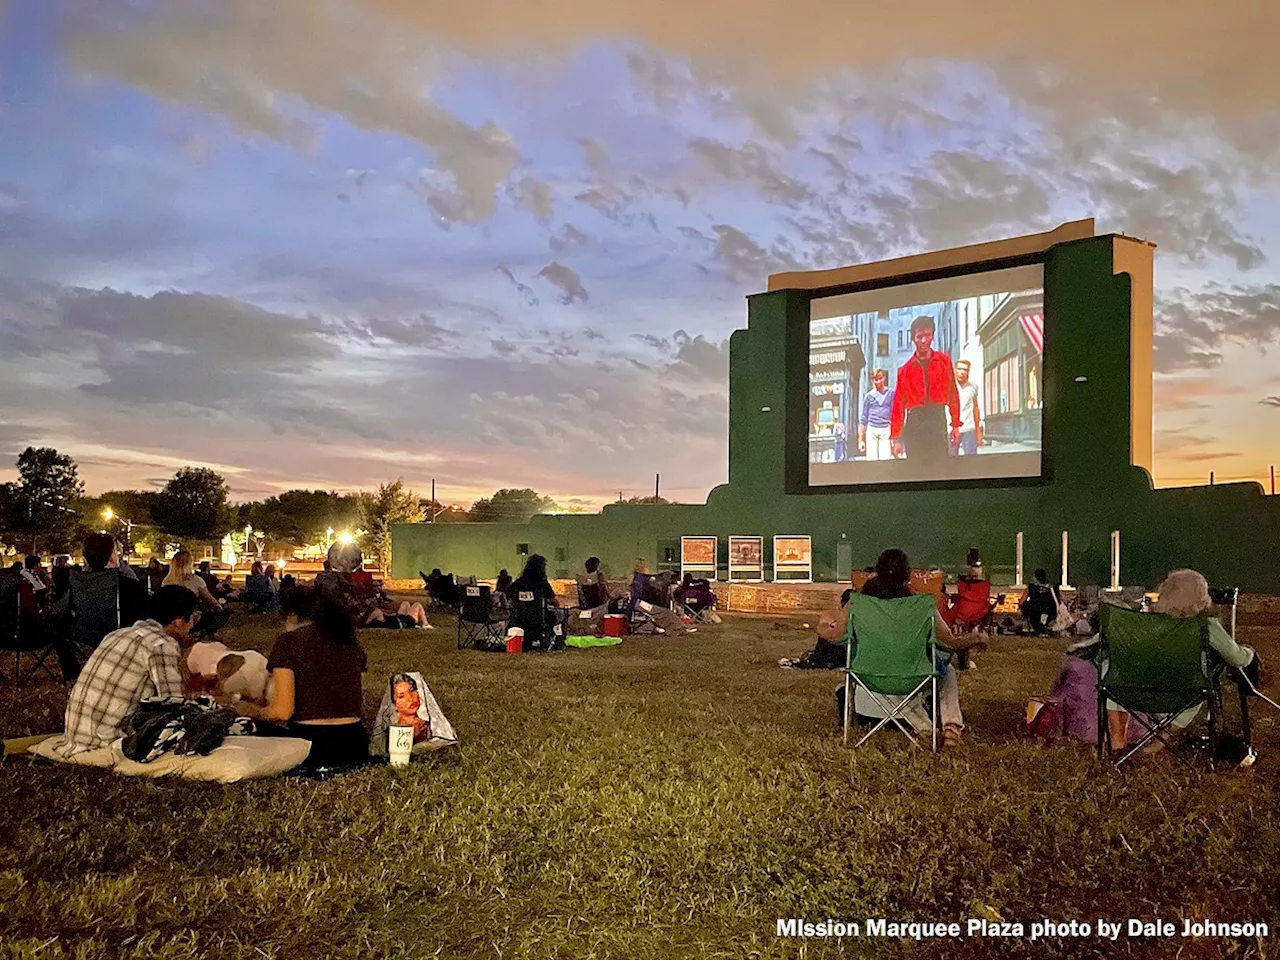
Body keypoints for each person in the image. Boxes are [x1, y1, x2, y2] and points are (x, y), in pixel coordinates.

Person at [1038, 569, 1262, 752]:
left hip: (1130, 693)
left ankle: (1118, 742)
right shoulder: (1207, 626)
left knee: (1111, 670)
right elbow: (1237, 658)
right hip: (1181, 697)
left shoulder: (1141, 624)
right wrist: (1250, 653)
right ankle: (1154, 747)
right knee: (1200, 690)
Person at [844, 548, 978, 746]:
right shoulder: (921, 605)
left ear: (877, 572)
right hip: (911, 677)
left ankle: (924, 728)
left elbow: (836, 635)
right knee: (945, 671)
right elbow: (951, 642)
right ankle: (951, 728)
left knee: (896, 677)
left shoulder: (858, 603)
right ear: (908, 576)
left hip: (866, 677)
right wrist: (978, 638)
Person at [225, 586, 369, 769]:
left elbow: (283, 711)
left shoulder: (288, 643)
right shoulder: (349, 642)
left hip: (310, 745)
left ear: (292, 615)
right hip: (355, 742)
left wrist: (254, 712)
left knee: (242, 728)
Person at [58, 585, 200, 756]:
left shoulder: (118, 634)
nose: (192, 625)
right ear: (178, 621)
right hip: (110, 739)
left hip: (79, 734)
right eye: (193, 618)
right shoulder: (161, 644)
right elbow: (173, 701)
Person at [54, 533, 149, 679]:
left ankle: (72, 672)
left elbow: (59, 609)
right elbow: (145, 611)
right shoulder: (126, 583)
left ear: (86, 557)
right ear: (111, 556)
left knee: (58, 629)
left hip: (82, 633)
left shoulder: (75, 581)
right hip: (119, 634)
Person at [888, 316, 962, 469]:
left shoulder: (944, 362)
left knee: (940, 467)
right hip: (915, 422)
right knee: (916, 469)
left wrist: (955, 424)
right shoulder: (905, 370)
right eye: (919, 336)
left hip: (937, 419)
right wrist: (896, 438)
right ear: (913, 339)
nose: (923, 341)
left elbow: (952, 394)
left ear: (933, 335)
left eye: (927, 335)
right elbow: (898, 405)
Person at [780, 588, 853, 669]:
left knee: (827, 638)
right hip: (849, 654)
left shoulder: (848, 618)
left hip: (843, 653)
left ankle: (817, 661)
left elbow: (833, 635)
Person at [163, 551, 229, 636]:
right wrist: (220, 608)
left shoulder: (166, 582)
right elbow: (209, 600)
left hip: (170, 619)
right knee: (221, 615)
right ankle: (202, 633)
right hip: (190, 619)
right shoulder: (195, 581)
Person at [627, 559, 693, 635]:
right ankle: (680, 628)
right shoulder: (642, 579)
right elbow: (637, 596)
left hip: (640, 604)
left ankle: (678, 627)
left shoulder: (639, 578)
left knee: (665, 613)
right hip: (640, 604)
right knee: (666, 613)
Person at [858, 368, 895, 461]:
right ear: (872, 381)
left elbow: (895, 414)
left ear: (884, 378)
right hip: (872, 430)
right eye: (875, 379)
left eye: (880, 378)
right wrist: (861, 440)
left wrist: (895, 436)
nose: (878, 381)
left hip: (885, 429)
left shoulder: (891, 393)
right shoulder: (869, 396)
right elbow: (863, 419)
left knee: (885, 459)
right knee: (872, 460)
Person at [950, 359, 983, 456]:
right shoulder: (949, 386)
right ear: (955, 370)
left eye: (965, 370)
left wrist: (978, 431)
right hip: (951, 429)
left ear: (968, 372)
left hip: (969, 428)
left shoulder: (973, 387)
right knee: (950, 461)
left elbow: (975, 408)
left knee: (971, 460)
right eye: (959, 369)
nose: (961, 372)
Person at [390, 673, 432, 744]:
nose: (410, 698)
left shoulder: (429, 726)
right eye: (401, 696)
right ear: (394, 704)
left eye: (412, 691)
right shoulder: (394, 731)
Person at [1020, 568, 1061, 635]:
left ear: (1036, 577)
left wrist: (1021, 605)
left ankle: (1033, 629)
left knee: (1026, 608)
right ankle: (1045, 627)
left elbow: (1022, 601)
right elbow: (1059, 599)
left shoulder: (1031, 587)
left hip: (1034, 610)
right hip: (1050, 610)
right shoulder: (1052, 588)